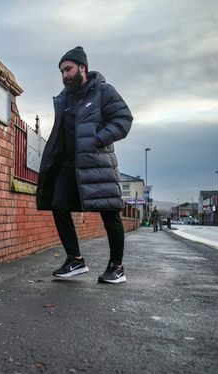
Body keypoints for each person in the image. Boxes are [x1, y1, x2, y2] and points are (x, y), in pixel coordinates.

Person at [36, 46, 133, 284]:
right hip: (68, 164)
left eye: (68, 69)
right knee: (58, 205)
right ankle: (75, 260)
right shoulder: (64, 98)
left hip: (97, 162)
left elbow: (124, 119)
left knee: (109, 212)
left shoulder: (103, 91)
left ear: (82, 68)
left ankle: (116, 267)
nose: (64, 75)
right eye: (61, 71)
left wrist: (99, 139)